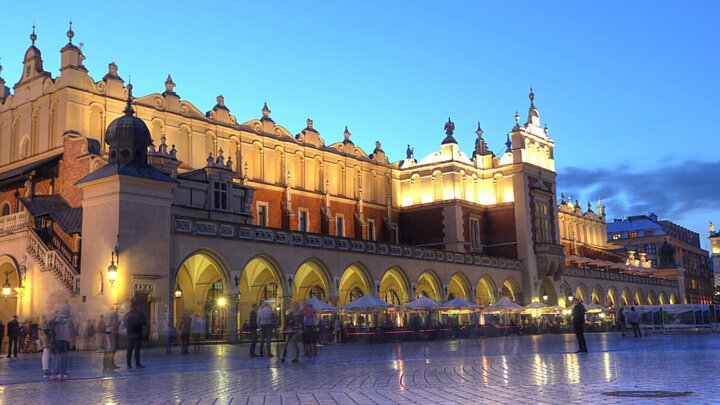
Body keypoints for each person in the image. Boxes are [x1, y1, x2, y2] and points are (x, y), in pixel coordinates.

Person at [51, 305, 76, 381]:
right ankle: (62, 373)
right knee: (63, 358)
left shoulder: (53, 322)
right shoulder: (65, 321)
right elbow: (68, 331)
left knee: (56, 358)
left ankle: (55, 373)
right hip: (62, 340)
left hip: (56, 341)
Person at [123, 301, 147, 369]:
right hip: (138, 333)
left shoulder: (127, 314)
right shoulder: (140, 314)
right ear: (137, 306)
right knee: (137, 349)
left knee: (129, 349)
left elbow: (124, 324)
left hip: (130, 333)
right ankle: (137, 363)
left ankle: (128, 364)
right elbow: (145, 322)